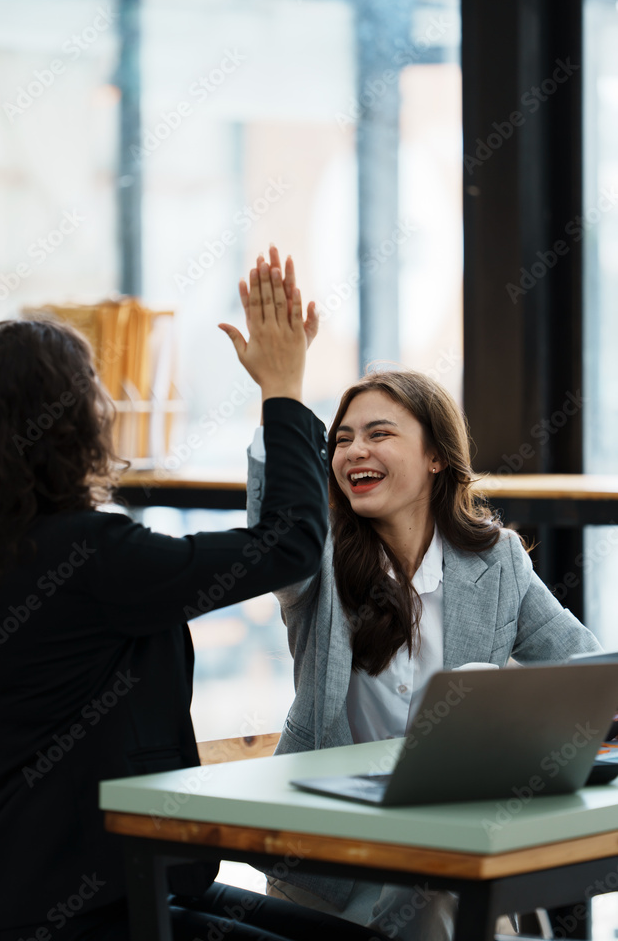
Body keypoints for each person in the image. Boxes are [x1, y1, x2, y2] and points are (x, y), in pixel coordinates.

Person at [0, 255, 380, 941]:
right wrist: (284, 389)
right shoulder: (92, 556)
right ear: (70, 423)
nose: (109, 402)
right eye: (93, 387)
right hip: (96, 911)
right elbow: (291, 543)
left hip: (41, 896)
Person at [245, 252, 602, 941]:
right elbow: (273, 528)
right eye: (341, 439)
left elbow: (580, 667)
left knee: (455, 902)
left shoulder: (493, 560)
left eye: (379, 434)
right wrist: (276, 393)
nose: (353, 451)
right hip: (335, 847)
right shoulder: (312, 557)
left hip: (452, 833)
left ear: (437, 456)